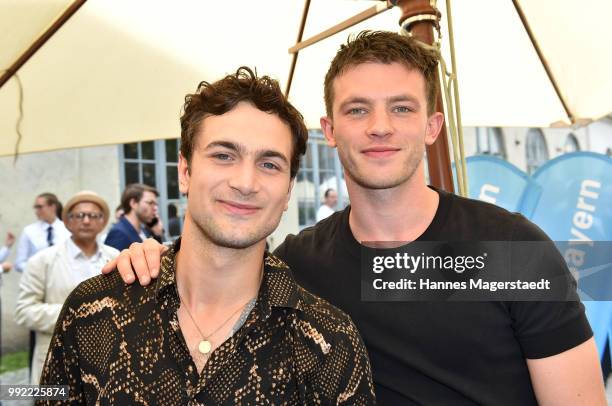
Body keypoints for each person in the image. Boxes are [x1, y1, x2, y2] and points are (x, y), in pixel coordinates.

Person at [107, 32, 606, 405]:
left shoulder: (513, 251)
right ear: (329, 129)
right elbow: (215, 276)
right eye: (358, 110)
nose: (381, 127)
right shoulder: (295, 267)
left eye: (402, 108)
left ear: (432, 126)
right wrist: (154, 259)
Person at [40, 67, 375, 404]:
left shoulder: (329, 343)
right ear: (185, 172)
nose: (245, 182)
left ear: (288, 191)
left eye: (269, 164)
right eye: (223, 156)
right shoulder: (93, 310)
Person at [15, 191, 118, 385]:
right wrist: (75, 315)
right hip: (56, 357)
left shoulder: (114, 258)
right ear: (67, 222)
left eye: (93, 216)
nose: (86, 221)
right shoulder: (42, 261)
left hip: (105, 360)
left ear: (103, 222)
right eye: (79, 215)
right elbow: (24, 310)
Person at [14, 193, 70, 273]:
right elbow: (19, 263)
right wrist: (37, 271)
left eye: (39, 207)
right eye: (36, 208)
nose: (36, 211)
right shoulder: (29, 231)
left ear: (52, 207)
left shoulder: (68, 229)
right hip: (36, 281)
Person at [104, 184, 163, 251]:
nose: (155, 208)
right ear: (133, 203)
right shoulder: (118, 234)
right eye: (150, 203)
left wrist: (157, 234)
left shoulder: (144, 231)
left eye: (155, 204)